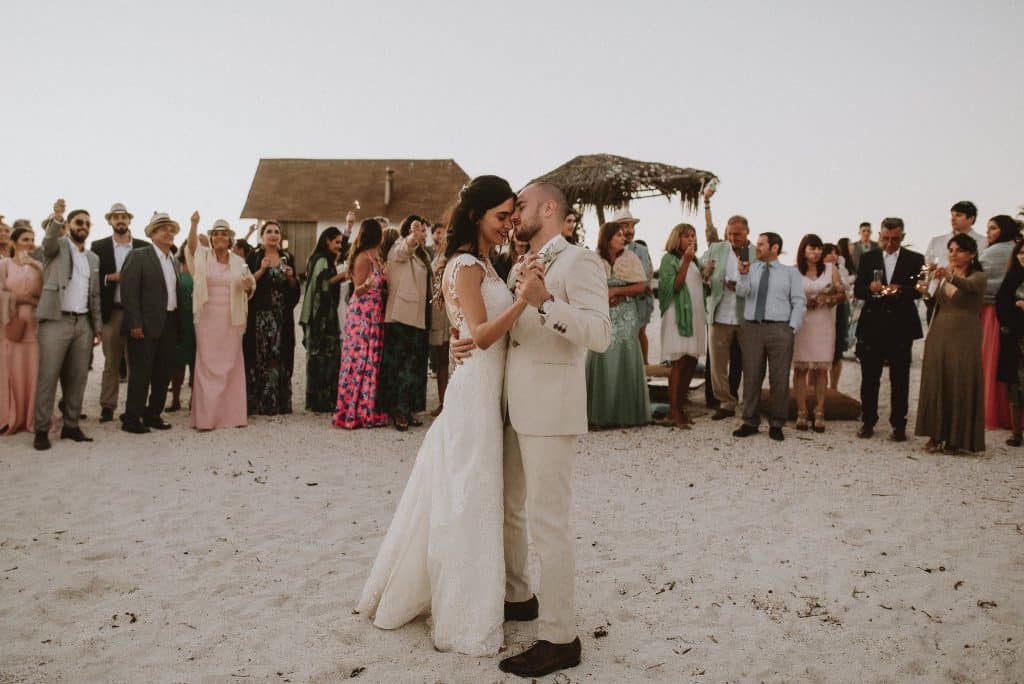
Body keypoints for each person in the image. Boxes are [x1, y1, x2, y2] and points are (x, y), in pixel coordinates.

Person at [357, 175, 531, 656]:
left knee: (466, 490)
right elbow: (480, 333)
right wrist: (523, 300)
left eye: (512, 216)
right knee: (469, 495)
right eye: (501, 216)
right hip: (474, 393)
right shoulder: (468, 265)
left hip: (481, 384)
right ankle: (462, 610)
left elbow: (468, 335)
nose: (508, 224)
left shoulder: (485, 264)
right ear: (477, 215)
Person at [499, 182, 611, 677]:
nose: (512, 213)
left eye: (520, 205)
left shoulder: (580, 262)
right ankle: (521, 596)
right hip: (512, 406)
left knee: (550, 523)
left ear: (549, 209)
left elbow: (601, 334)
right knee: (511, 509)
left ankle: (560, 636)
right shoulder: (517, 263)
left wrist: (546, 302)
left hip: (552, 409)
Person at [33, 201, 102, 450]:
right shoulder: (56, 248)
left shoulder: (93, 257)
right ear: (69, 226)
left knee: (78, 378)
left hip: (83, 322)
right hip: (55, 319)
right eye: (78, 222)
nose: (83, 226)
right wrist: (58, 218)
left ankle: (71, 426)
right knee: (48, 377)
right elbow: (48, 241)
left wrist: (98, 326)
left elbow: (94, 295)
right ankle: (41, 430)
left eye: (86, 223)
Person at [853, 218, 924, 441]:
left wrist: (900, 289)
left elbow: (920, 290)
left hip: (901, 326)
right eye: (885, 239)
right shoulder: (868, 258)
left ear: (902, 237)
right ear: (879, 236)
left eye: (895, 239)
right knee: (869, 378)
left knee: (900, 378)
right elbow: (857, 290)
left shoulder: (916, 259)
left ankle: (899, 425)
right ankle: (868, 421)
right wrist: (869, 288)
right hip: (872, 325)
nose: (890, 243)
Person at [915, 234, 986, 453]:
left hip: (965, 335)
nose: (953, 254)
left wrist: (948, 275)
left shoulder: (980, 276)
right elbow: (935, 302)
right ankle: (935, 434)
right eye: (951, 250)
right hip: (940, 332)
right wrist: (926, 293)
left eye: (959, 250)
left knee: (960, 381)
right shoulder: (944, 277)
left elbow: (970, 286)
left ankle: (957, 437)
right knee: (937, 380)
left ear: (972, 254)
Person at [733, 232, 806, 441]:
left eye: (761, 244)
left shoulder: (790, 273)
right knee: (752, 376)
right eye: (757, 244)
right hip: (752, 328)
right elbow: (741, 292)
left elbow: (799, 301)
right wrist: (744, 274)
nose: (757, 247)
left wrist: (791, 328)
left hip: (780, 329)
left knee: (779, 379)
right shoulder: (751, 268)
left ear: (774, 248)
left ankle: (777, 424)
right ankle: (749, 421)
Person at [186, 214, 255, 430]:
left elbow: (251, 284)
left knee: (231, 364)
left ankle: (231, 417)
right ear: (212, 237)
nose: (220, 237)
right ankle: (207, 419)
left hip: (232, 318)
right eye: (216, 234)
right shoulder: (204, 257)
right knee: (207, 364)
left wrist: (248, 286)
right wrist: (194, 224)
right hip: (207, 317)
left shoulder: (238, 261)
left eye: (224, 233)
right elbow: (191, 246)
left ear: (230, 237)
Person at [119, 213, 182, 434]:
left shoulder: (172, 260)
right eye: (162, 229)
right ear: (152, 234)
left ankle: (153, 414)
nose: (169, 233)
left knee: (162, 373)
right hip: (144, 325)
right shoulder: (139, 256)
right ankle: (131, 418)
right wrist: (134, 323)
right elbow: (128, 292)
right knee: (140, 373)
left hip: (169, 322)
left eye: (172, 229)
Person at [585, 221, 650, 428]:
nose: (623, 238)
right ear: (607, 238)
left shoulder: (630, 258)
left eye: (624, 235)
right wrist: (603, 297)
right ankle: (599, 415)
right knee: (601, 355)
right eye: (619, 235)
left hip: (625, 315)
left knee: (625, 357)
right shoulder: (594, 259)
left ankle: (626, 415)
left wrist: (616, 292)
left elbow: (641, 285)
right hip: (601, 312)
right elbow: (586, 286)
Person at [90, 203, 147, 422]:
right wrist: (109, 278)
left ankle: (136, 406)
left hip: (136, 312)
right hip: (111, 312)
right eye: (116, 217)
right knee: (111, 362)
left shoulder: (143, 246)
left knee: (136, 362)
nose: (120, 220)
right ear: (110, 221)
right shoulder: (98, 246)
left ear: (129, 220)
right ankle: (107, 406)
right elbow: (93, 280)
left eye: (124, 216)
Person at [333, 219, 389, 429]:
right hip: (362, 313)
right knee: (359, 360)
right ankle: (353, 412)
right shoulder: (363, 258)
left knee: (370, 360)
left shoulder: (375, 257)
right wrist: (370, 283)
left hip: (374, 311)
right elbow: (357, 289)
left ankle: (366, 408)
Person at [378, 215, 432, 431]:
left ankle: (409, 408)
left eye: (425, 232)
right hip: (401, 317)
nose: (424, 235)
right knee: (401, 366)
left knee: (415, 366)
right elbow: (404, 250)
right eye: (421, 231)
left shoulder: (423, 255)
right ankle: (397, 411)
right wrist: (412, 237)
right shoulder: (399, 248)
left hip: (419, 316)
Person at [244, 221, 300, 415]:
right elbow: (246, 285)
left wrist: (292, 277)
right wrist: (260, 270)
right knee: (261, 358)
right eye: (269, 231)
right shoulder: (255, 256)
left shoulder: (287, 257)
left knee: (281, 357)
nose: (273, 234)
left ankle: (279, 403)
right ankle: (260, 403)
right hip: (260, 317)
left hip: (282, 317)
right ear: (262, 236)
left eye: (276, 232)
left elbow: (294, 289)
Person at [791, 234, 845, 432]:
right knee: (800, 369)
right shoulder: (795, 271)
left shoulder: (831, 269)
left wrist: (829, 300)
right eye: (812, 248)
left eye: (819, 248)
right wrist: (804, 302)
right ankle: (801, 412)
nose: (816, 252)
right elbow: (788, 296)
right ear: (803, 250)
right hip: (803, 323)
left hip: (823, 322)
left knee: (822, 369)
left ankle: (820, 410)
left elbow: (842, 294)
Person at [657, 223, 707, 428]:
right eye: (687, 236)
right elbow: (674, 287)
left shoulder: (694, 260)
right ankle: (674, 410)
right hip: (677, 315)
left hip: (694, 315)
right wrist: (685, 262)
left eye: (693, 236)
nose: (691, 240)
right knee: (679, 361)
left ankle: (681, 405)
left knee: (691, 360)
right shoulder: (669, 259)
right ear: (677, 238)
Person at [702, 215, 750, 420]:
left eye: (737, 234)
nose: (732, 238)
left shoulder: (754, 252)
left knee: (747, 362)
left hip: (745, 317)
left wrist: (739, 286)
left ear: (747, 232)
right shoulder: (716, 249)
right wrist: (706, 272)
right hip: (720, 313)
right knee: (717, 363)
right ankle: (726, 402)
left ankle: (749, 402)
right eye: (729, 234)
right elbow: (702, 272)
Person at [979, 215, 1021, 430]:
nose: (988, 232)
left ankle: (993, 411)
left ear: (1003, 230)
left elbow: (980, 279)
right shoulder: (1015, 247)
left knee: (991, 360)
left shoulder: (995, 251)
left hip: (992, 310)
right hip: (1011, 311)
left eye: (993, 228)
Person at [0, 227, 43, 435]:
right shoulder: (4, 264)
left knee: (32, 370)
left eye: (33, 239)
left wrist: (37, 267)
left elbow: (46, 295)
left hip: (34, 326)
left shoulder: (38, 266)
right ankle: (9, 417)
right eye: (26, 239)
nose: (30, 243)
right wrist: (21, 299)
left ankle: (30, 417)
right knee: (9, 371)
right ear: (14, 242)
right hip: (10, 324)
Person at [299, 226, 345, 412]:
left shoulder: (324, 259)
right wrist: (342, 276)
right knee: (322, 359)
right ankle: (320, 402)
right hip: (321, 317)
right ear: (327, 240)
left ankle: (322, 400)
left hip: (325, 316)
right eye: (337, 242)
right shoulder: (321, 260)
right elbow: (322, 285)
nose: (339, 246)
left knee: (326, 359)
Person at [924, 201, 987, 320]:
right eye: (952, 215)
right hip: (938, 296)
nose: (953, 219)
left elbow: (982, 270)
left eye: (958, 215)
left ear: (971, 218)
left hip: (966, 297)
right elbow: (927, 268)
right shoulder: (936, 241)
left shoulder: (983, 242)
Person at [613, 208, 654, 364]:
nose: (630, 231)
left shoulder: (641, 249)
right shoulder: (609, 250)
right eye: (626, 226)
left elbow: (641, 276)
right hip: (617, 305)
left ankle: (644, 368)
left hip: (639, 302)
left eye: (632, 226)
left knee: (639, 334)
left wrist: (619, 290)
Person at [995, 241, 1024, 446]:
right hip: (1015, 339)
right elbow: (1001, 308)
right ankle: (1017, 432)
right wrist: (1017, 306)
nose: (1023, 256)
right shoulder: (1011, 279)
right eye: (1021, 253)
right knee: (1015, 387)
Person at [427, 225, 450, 416]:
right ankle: (443, 402)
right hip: (437, 312)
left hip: (451, 311)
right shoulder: (429, 254)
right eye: (437, 232)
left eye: (443, 231)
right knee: (441, 359)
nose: (440, 235)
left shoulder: (453, 255)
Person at [168, 246, 195, 412]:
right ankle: (175, 400)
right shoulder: (174, 265)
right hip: (178, 321)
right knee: (177, 364)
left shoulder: (203, 268)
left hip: (197, 322)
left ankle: (194, 400)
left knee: (196, 363)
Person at [822, 243, 852, 389]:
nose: (833, 255)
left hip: (839, 311)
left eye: (835, 253)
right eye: (829, 253)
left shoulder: (842, 270)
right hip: (821, 312)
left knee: (837, 352)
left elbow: (845, 290)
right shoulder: (815, 271)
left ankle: (834, 388)